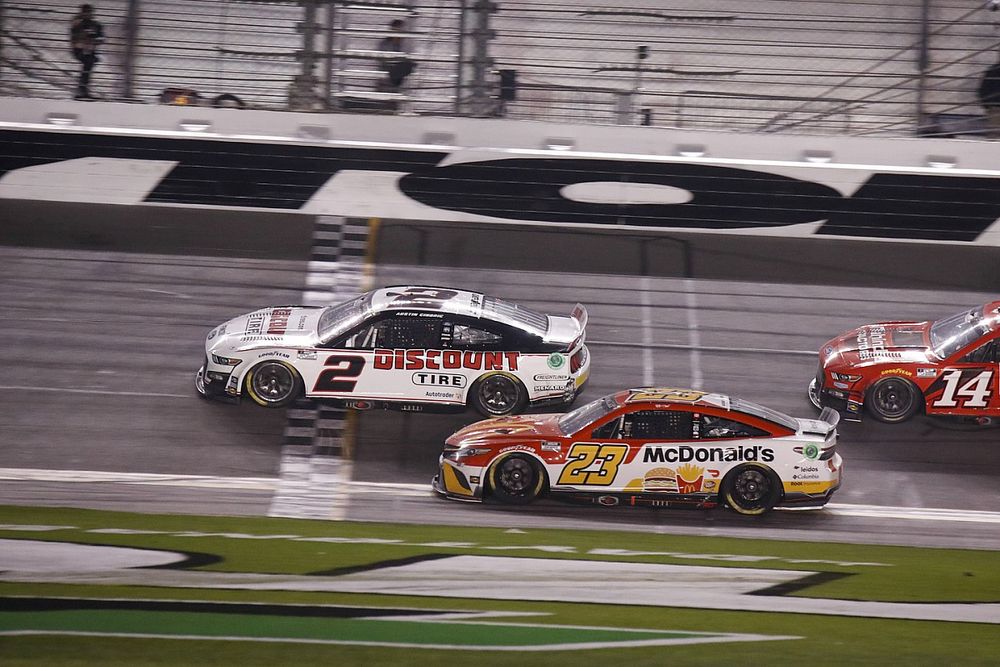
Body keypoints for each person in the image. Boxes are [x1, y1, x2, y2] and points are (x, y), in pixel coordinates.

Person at [70, 4, 104, 100]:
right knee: (88, 64)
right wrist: (87, 35)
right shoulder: (77, 23)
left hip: (90, 49)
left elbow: (101, 38)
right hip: (79, 49)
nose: (87, 14)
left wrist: (94, 38)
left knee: (88, 65)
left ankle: (83, 90)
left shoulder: (96, 24)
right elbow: (75, 36)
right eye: (85, 12)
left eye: (88, 12)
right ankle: (82, 90)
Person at [377, 18, 415, 91]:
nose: (397, 32)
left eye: (399, 29)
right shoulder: (384, 44)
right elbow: (383, 60)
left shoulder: (405, 44)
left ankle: (395, 89)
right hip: (389, 70)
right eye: (395, 29)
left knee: (406, 66)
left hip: (398, 74)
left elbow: (410, 61)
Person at [978, 58, 1000, 139]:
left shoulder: (992, 70)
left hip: (994, 106)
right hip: (995, 106)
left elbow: (983, 88)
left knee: (994, 136)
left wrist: (986, 104)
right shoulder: (992, 70)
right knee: (994, 135)